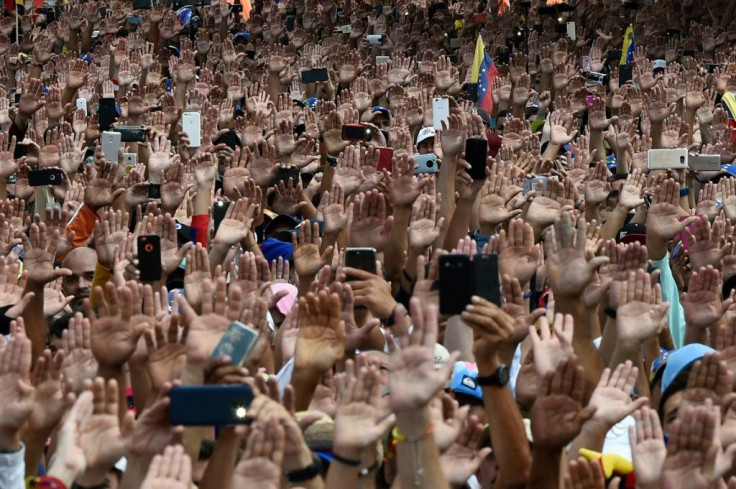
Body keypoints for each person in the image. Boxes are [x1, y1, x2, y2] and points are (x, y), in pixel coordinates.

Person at [4, 1, 736, 489]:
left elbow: (501, 366)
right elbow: (240, 408)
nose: (458, 413)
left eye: (461, 403)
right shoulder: (312, 410)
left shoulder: (607, 450)